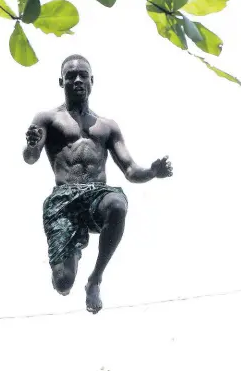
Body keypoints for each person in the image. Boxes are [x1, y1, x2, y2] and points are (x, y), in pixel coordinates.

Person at [23, 54, 173, 314]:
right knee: (63, 282)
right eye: (71, 76)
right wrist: (33, 144)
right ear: (61, 82)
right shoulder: (47, 118)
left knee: (117, 203)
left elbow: (129, 169)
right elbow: (30, 158)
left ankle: (95, 279)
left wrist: (152, 171)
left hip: (96, 195)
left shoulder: (107, 126)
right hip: (64, 200)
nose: (77, 80)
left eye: (83, 75)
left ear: (92, 81)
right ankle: (71, 252)